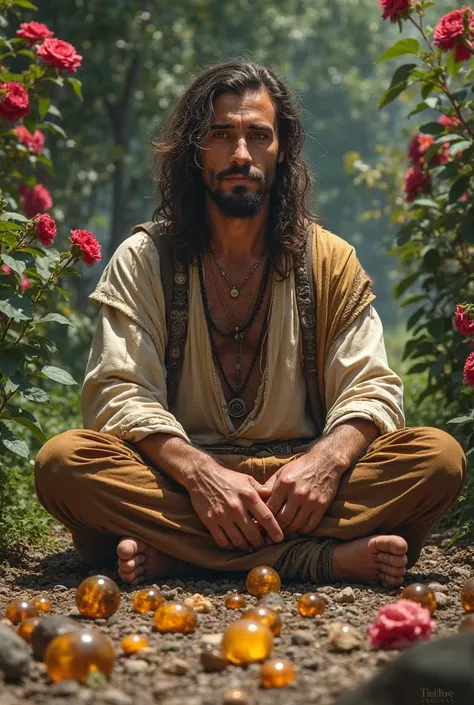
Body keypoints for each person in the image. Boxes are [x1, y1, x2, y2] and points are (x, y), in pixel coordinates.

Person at [34, 59, 466, 588]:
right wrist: (201, 475)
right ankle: (322, 560)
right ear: (195, 151)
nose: (241, 154)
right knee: (63, 465)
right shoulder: (146, 257)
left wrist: (325, 464)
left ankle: (180, 556)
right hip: (179, 479)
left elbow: (370, 389)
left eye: (258, 135)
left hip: (302, 486)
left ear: (282, 149)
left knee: (439, 460)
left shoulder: (329, 259)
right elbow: (118, 394)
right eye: (221, 135)